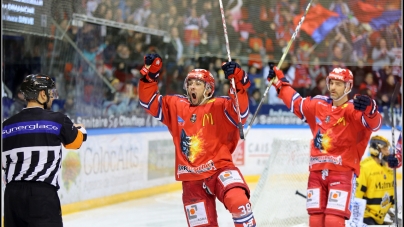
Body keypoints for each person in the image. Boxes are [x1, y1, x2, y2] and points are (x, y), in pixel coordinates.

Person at [138, 53, 256, 227]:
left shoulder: (220, 106)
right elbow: (148, 101)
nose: (193, 87)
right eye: (190, 83)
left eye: (198, 83)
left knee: (239, 202)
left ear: (209, 89)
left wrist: (237, 79)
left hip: (219, 169)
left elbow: (242, 112)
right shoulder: (176, 106)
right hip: (191, 179)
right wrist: (151, 73)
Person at [266, 65, 382, 227]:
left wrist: (371, 109)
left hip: (342, 173)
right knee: (315, 221)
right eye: (331, 82)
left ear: (348, 87)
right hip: (316, 172)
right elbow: (296, 103)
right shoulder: (318, 103)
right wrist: (279, 83)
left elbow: (375, 124)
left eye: (339, 84)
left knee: (333, 221)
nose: (333, 87)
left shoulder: (354, 110)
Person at [2, 74, 87, 227]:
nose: (52, 98)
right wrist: (80, 129)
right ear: (42, 94)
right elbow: (75, 142)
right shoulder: (57, 120)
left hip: (11, 197)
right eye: (50, 93)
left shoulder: (6, 125)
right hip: (41, 195)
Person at [355, 135, 398, 225]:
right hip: (366, 218)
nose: (388, 152)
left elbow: (392, 193)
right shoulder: (364, 168)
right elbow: (357, 196)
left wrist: (393, 210)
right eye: (385, 149)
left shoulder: (388, 168)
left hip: (383, 217)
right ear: (376, 150)